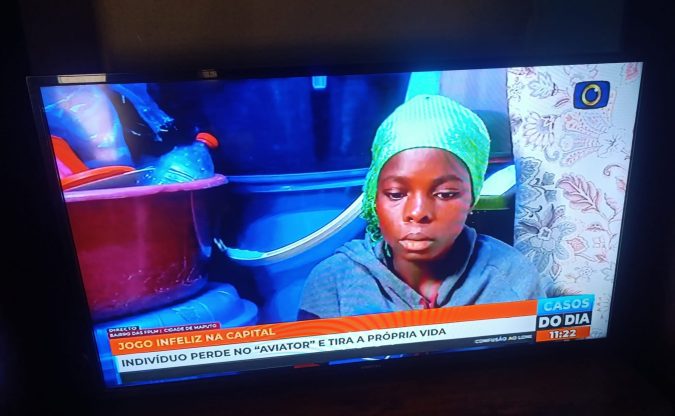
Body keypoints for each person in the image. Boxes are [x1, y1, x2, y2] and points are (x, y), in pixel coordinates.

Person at [298, 94, 550, 320]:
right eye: (396, 194)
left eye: (445, 194)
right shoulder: (334, 281)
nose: (418, 212)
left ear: (472, 198)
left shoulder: (512, 276)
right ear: (374, 198)